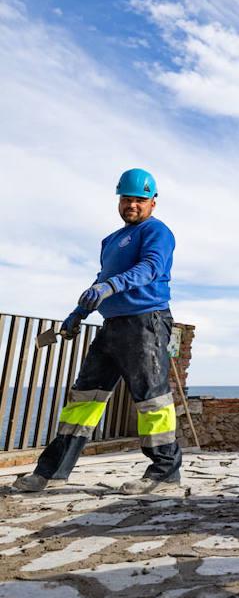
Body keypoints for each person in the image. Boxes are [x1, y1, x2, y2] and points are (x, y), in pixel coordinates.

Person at [14, 169, 182, 495]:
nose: (131, 205)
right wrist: (78, 312)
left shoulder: (157, 231)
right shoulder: (111, 241)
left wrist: (111, 286)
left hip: (145, 323)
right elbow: (102, 278)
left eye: (138, 199)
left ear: (152, 203)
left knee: (152, 399)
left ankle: (164, 471)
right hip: (112, 327)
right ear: (119, 200)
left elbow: (150, 268)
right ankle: (51, 472)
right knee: (83, 399)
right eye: (126, 199)